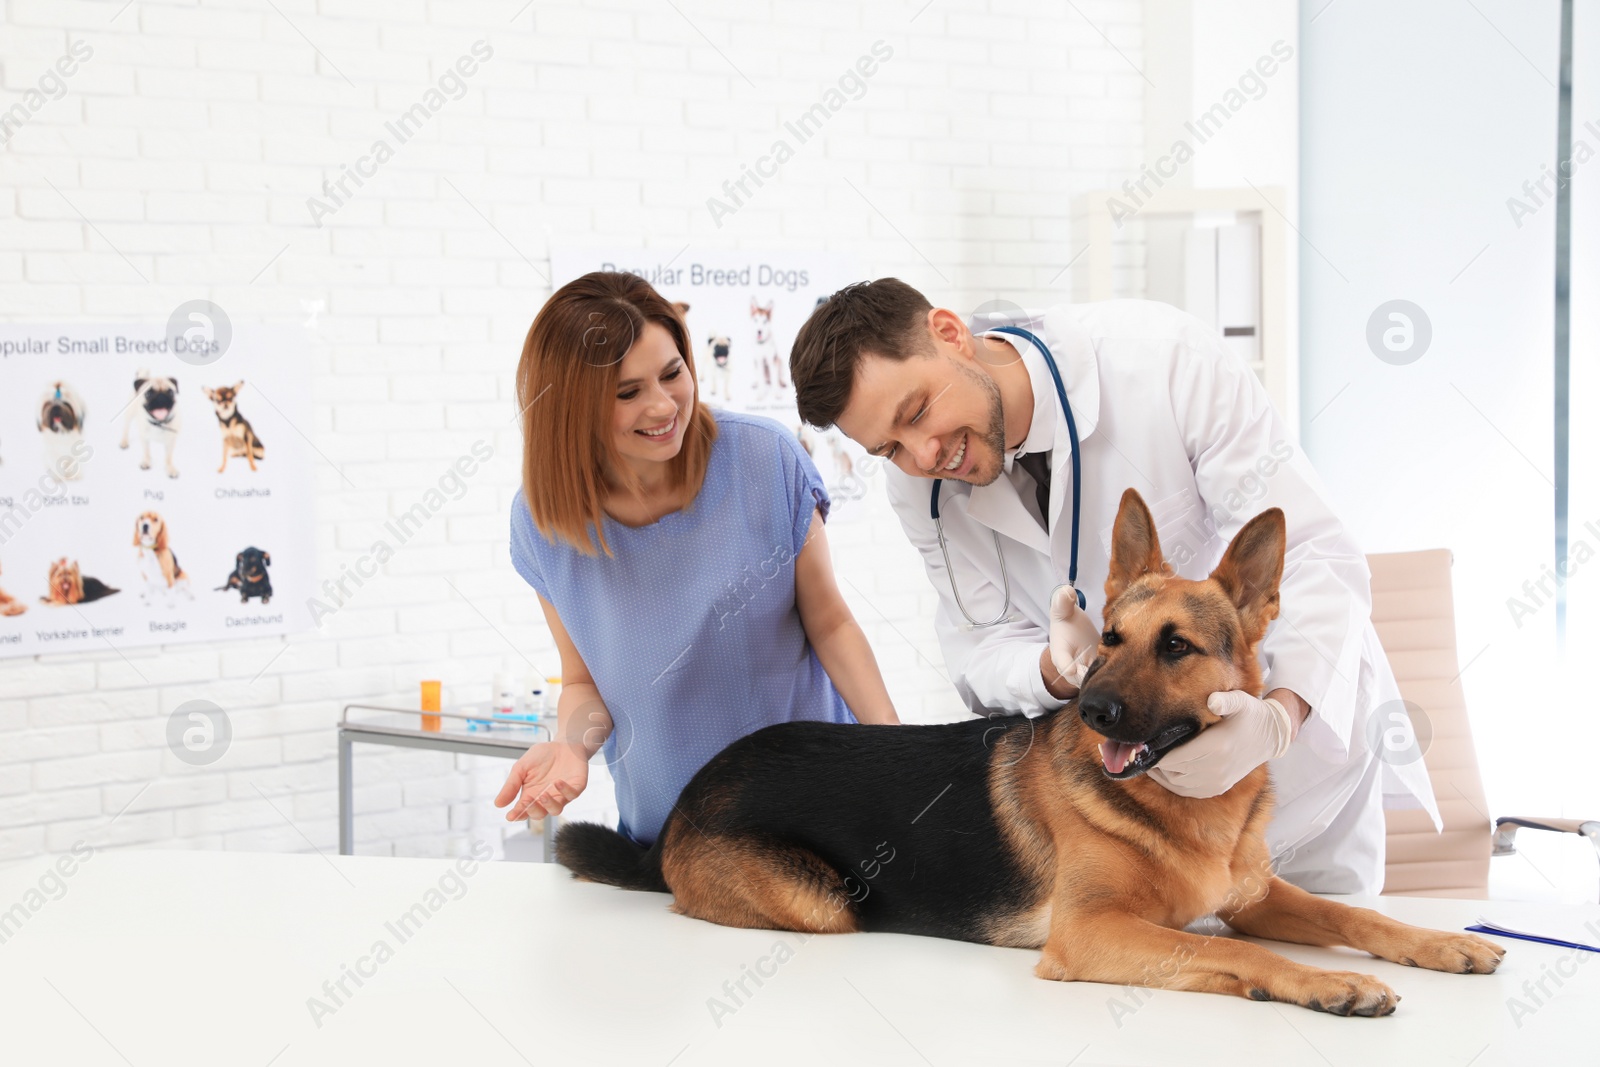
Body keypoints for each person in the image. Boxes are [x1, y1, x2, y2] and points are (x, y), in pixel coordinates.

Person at [788, 279, 1439, 894]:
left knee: (1334, 979)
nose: (922, 455)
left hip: (1294, 785)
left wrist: (1277, 718)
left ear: (951, 332)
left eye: (918, 410)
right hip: (1147, 815)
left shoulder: (1162, 360)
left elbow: (1313, 552)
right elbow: (973, 647)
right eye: (889, 447)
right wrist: (1053, 665)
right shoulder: (918, 486)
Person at [496, 271, 899, 847]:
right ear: (571, 408)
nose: (663, 406)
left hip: (814, 826)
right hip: (668, 847)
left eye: (672, 373)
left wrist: (894, 746)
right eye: (628, 392)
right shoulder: (543, 522)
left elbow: (830, 622)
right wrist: (570, 748)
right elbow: (585, 684)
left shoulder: (764, 459)